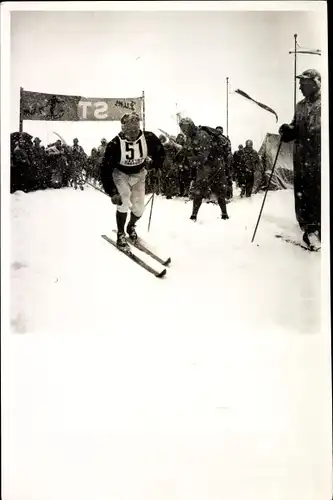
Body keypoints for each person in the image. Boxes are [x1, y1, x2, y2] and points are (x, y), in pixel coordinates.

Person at [100, 112, 165, 250]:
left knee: (139, 208)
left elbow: (160, 152)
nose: (133, 134)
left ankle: (131, 226)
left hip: (139, 174)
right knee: (123, 199)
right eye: (129, 131)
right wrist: (112, 192)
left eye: (136, 130)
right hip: (121, 174)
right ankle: (120, 233)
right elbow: (105, 169)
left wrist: (155, 165)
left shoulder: (148, 137)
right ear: (123, 129)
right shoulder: (115, 144)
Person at [279, 69, 321, 249]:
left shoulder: (323, 103)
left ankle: (316, 230)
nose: (300, 86)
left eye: (303, 83)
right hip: (301, 158)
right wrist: (287, 131)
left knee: (316, 193)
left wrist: (302, 133)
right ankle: (308, 226)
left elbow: (317, 131)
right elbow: (296, 126)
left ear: (315, 83)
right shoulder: (300, 106)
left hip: (318, 159)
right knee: (302, 193)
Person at [179, 117, 229, 221]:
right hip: (206, 164)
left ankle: (224, 214)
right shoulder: (190, 136)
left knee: (209, 189)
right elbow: (187, 149)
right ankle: (194, 215)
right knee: (200, 189)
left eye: (185, 128)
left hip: (214, 164)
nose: (184, 131)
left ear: (191, 126)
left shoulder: (202, 135)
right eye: (182, 129)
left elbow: (202, 156)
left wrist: (190, 161)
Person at [215, 126, 233, 200]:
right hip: (215, 161)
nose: (219, 132)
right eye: (217, 130)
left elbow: (228, 149)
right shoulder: (212, 138)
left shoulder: (225, 139)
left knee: (227, 177)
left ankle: (228, 194)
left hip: (224, 160)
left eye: (220, 130)